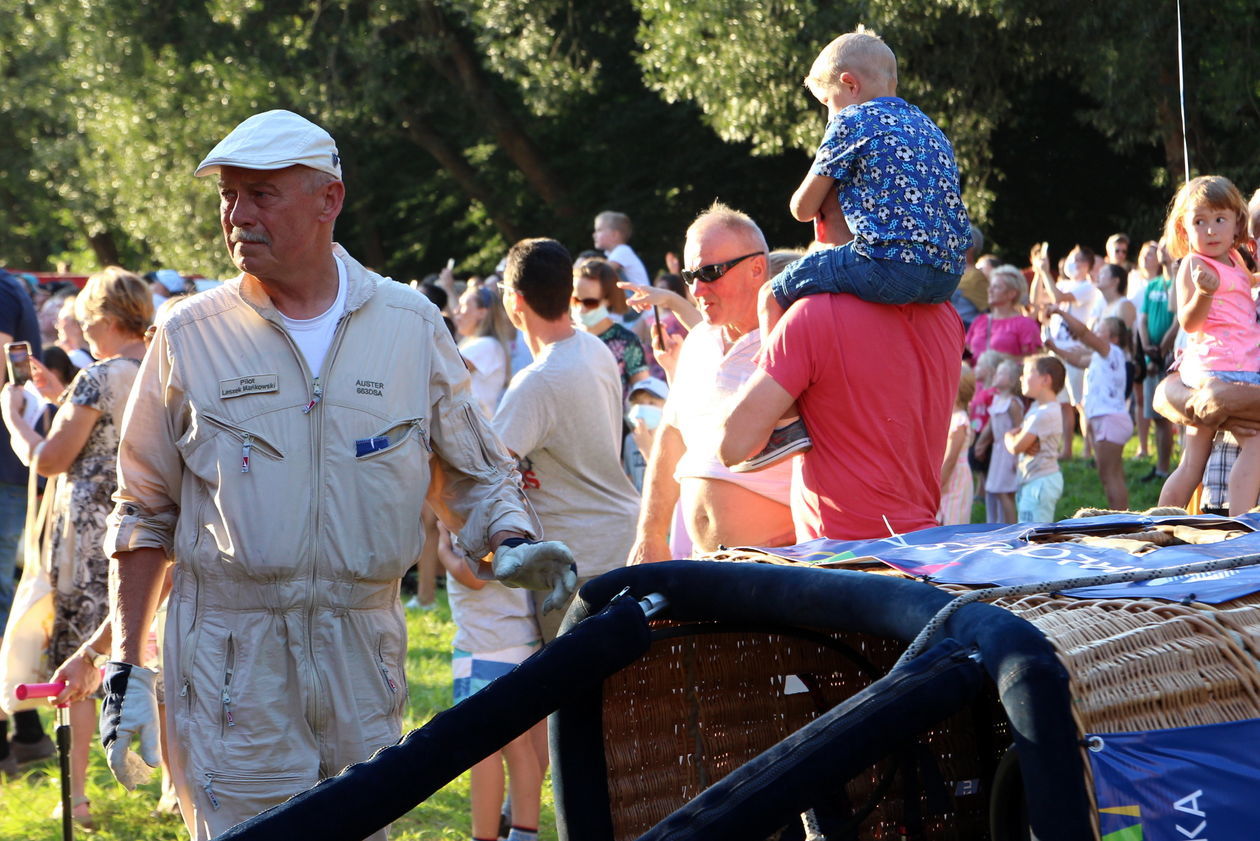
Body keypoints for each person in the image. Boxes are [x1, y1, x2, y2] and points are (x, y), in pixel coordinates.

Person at [97, 110, 576, 840]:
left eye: (261, 194)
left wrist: (509, 538)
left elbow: (477, 469)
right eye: (228, 195)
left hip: (363, 661)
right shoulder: (190, 335)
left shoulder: (408, 325)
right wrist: (128, 666)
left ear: (330, 199)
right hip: (234, 668)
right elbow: (144, 509)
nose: (237, 215)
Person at [747, 26, 970, 470]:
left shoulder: (852, 120)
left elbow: (802, 206)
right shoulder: (930, 128)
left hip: (887, 263)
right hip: (947, 275)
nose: (829, 115)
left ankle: (783, 418)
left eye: (827, 103)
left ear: (849, 84)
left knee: (771, 293)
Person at [1, 266, 151, 826]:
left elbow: (51, 458)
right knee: (149, 649)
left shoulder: (97, 377)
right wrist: (59, 395)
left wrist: (15, 420)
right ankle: (171, 790)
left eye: (85, 322)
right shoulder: (157, 367)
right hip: (150, 521)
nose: (82, 334)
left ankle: (78, 797)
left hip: (91, 531)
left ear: (105, 319)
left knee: (79, 662)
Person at [718, 243, 964, 539]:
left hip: (841, 556)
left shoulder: (812, 314)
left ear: (819, 222)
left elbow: (732, 446)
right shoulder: (946, 315)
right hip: (916, 545)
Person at [629, 203, 795, 563]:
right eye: (691, 277)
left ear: (757, 268)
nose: (698, 290)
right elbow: (671, 436)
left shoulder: (791, 338)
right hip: (705, 563)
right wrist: (650, 534)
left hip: (778, 565)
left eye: (711, 272)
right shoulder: (700, 340)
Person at [492, 237, 638, 641]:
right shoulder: (595, 348)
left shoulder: (536, 383)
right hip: (621, 541)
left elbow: (485, 470)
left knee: (578, 698)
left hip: (577, 565)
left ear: (516, 301)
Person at [1156, 176, 1259, 515]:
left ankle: (1240, 525)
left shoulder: (1236, 263)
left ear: (1235, 226)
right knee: (1196, 462)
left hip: (1232, 372)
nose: (1211, 230)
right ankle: (1162, 525)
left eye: (1219, 220)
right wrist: (1203, 293)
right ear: (1185, 230)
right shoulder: (1196, 266)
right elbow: (1189, 324)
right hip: (1218, 368)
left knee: (1193, 462)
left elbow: (1243, 284)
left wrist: (1233, 406)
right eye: (1200, 222)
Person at [435, 525, 542, 841]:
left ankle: (484, 836)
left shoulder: (470, 514)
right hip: (523, 640)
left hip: (485, 646)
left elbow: (473, 576)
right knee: (520, 746)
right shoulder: (512, 510)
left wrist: (443, 548)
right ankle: (525, 834)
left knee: (482, 748)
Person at [0, 268, 52, 776]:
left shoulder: (0, 290)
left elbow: (2, 366)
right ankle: (28, 731)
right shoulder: (12, 287)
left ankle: (16, 734)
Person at [1044, 312, 1132, 510]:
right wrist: (1055, 348)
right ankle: (1119, 516)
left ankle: (1121, 518)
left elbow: (1083, 332)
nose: (1095, 333)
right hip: (1106, 419)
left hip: (1110, 420)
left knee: (1110, 475)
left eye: (1100, 331)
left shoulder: (1111, 352)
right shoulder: (1099, 357)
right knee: (1109, 474)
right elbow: (1076, 360)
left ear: (1114, 338)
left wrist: (1060, 312)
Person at [571, 259, 648, 403]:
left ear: (609, 300)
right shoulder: (565, 338)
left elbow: (644, 397)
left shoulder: (627, 341)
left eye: (590, 302)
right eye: (575, 300)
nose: (581, 308)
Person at [1006, 355, 1067, 522]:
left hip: (1040, 483)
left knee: (1033, 538)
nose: (1021, 378)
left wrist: (1008, 436)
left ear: (1045, 380)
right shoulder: (1037, 408)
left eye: (1027, 373)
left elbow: (1015, 447)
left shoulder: (1044, 413)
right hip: (1033, 481)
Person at [452, 284, 513, 418]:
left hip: (473, 431)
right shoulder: (475, 343)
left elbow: (445, 370)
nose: (456, 311)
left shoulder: (487, 345)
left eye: (463, 305)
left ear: (482, 312)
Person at [964, 265, 1042, 362]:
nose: (990, 290)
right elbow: (967, 356)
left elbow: (1034, 362)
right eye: (990, 286)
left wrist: (1004, 359)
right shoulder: (980, 321)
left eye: (996, 287)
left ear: (1012, 293)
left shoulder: (1026, 325)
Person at [983, 359, 1025, 523]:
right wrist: (981, 444)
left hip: (1008, 452)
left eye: (1001, 373)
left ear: (1012, 380)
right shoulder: (996, 400)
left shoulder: (1013, 403)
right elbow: (991, 426)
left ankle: (1011, 526)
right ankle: (995, 523)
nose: (996, 375)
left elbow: (1019, 427)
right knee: (994, 489)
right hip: (997, 451)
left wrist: (1017, 458)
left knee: (1005, 491)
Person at [937, 363, 976, 525]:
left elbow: (951, 458)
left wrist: (937, 486)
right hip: (946, 475)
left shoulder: (959, 420)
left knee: (951, 522)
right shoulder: (950, 417)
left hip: (953, 478)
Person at [593, 210, 650, 288]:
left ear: (614, 234)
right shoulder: (614, 253)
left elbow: (603, 271)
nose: (594, 235)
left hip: (639, 297)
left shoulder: (622, 250)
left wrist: (582, 267)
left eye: (599, 230)